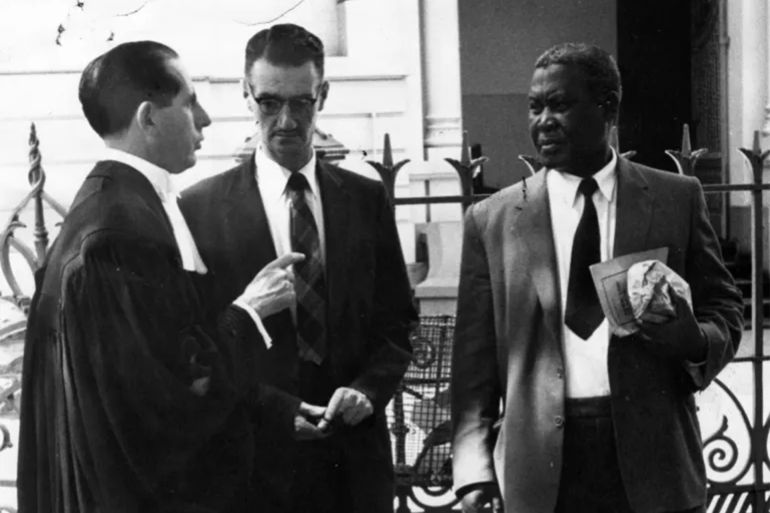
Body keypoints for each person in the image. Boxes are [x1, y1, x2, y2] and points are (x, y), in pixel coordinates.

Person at [18, 40, 313, 513]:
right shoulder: (117, 231)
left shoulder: (119, 208)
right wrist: (248, 312)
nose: (205, 120)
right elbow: (165, 400)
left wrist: (276, 407)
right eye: (189, 102)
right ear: (148, 118)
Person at [450, 42, 743, 513]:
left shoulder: (674, 198)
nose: (543, 120)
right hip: (540, 471)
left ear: (608, 109)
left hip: (653, 465)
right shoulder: (493, 219)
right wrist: (473, 469)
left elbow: (726, 310)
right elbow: (472, 360)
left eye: (560, 105)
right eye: (535, 106)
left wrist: (693, 338)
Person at [180, 23, 416, 513]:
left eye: (301, 102)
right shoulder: (200, 208)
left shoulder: (366, 198)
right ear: (247, 96)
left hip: (353, 462)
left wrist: (368, 391)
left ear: (322, 95)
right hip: (253, 465)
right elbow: (197, 345)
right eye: (269, 102)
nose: (286, 120)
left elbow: (396, 322)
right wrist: (273, 410)